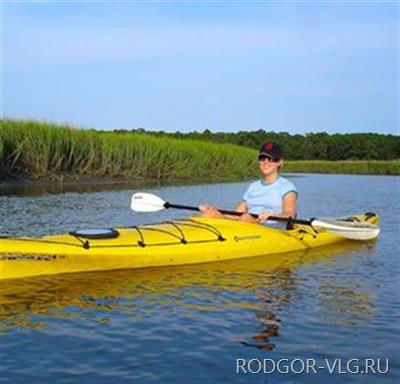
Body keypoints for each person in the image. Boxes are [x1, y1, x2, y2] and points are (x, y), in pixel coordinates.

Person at [199, 142, 297, 224]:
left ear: (280, 162)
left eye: (271, 159)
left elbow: (290, 214)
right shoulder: (253, 187)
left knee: (245, 218)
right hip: (248, 224)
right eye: (262, 158)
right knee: (209, 214)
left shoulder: (287, 187)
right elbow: (236, 214)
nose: (266, 162)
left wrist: (272, 216)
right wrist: (216, 211)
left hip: (272, 228)